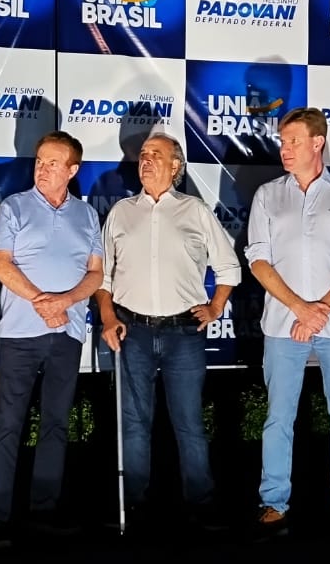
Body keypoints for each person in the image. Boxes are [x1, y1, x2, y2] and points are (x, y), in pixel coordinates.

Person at [94, 133, 240, 530]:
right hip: (133, 331)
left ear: (176, 167)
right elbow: (102, 277)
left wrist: (215, 306)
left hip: (183, 334)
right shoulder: (121, 212)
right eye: (143, 155)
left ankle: (201, 505)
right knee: (135, 423)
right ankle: (134, 506)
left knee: (189, 422)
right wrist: (108, 318)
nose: (146, 160)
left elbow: (229, 268)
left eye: (156, 155)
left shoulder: (195, 210)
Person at [244, 107, 330, 545]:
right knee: (278, 418)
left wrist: (321, 309)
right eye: (283, 142)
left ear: (317, 143)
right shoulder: (267, 195)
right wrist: (301, 308)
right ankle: (274, 502)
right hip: (283, 323)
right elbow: (258, 260)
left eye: (294, 141)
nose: (285, 149)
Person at [0, 131, 103, 549]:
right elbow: (0, 265)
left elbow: (97, 274)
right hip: (19, 333)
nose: (43, 168)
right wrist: (41, 301)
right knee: (7, 424)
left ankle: (43, 512)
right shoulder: (14, 206)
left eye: (53, 163)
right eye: (39, 161)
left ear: (73, 170)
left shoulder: (87, 215)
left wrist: (65, 301)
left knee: (55, 424)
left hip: (67, 334)